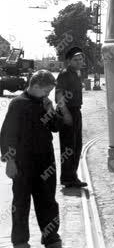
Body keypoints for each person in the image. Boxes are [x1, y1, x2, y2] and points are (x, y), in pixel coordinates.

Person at [1, 70, 63, 248]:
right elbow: (7, 135)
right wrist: (10, 162)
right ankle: (20, 240)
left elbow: (56, 127)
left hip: (45, 162)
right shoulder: (18, 104)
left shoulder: (45, 103)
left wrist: (50, 109)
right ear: (35, 86)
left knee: (48, 201)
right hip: (22, 163)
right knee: (21, 202)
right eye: (46, 91)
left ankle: (50, 237)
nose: (48, 94)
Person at [55, 47, 87, 188]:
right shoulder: (65, 74)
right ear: (69, 61)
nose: (79, 61)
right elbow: (59, 96)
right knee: (68, 147)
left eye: (80, 59)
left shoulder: (76, 73)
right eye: (76, 59)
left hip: (75, 111)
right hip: (68, 112)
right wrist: (66, 114)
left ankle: (71, 176)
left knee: (76, 146)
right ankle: (68, 178)